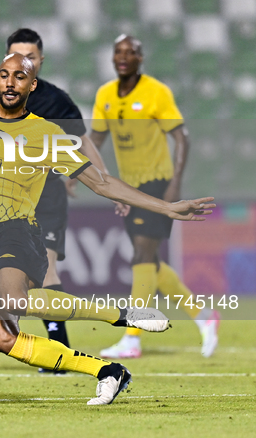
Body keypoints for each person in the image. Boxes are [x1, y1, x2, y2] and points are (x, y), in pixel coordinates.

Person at [0, 53, 215, 405]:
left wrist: (166, 207)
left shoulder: (45, 133)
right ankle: (107, 371)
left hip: (17, 229)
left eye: (19, 77)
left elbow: (100, 182)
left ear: (32, 84)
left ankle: (120, 314)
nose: (10, 82)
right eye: (4, 75)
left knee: (14, 300)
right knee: (2, 338)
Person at [0, 28, 110, 373]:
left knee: (46, 269)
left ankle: (60, 350)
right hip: (4, 200)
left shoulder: (57, 100)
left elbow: (83, 142)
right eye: (14, 55)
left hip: (46, 195)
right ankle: (25, 338)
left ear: (41, 60)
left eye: (31, 57)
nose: (23, 62)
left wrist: (102, 181)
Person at [90, 35, 220, 359]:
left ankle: (132, 337)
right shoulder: (105, 95)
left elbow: (182, 138)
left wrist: (175, 184)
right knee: (152, 264)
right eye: (118, 51)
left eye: (130, 52)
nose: (123, 57)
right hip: (129, 186)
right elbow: (93, 140)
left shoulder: (156, 92)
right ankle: (204, 317)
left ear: (141, 58)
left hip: (157, 184)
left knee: (141, 256)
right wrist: (104, 182)